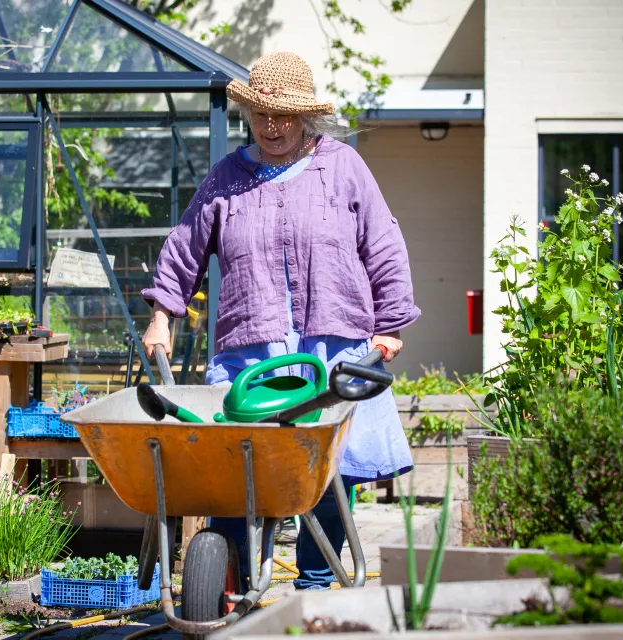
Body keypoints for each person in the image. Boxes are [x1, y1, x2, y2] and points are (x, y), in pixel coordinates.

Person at [139, 51, 419, 590]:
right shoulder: (227, 178)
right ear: (249, 113)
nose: (272, 127)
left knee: (332, 473)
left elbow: (383, 244)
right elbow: (184, 251)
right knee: (234, 470)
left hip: (334, 348)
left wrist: (390, 324)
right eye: (263, 114)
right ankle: (228, 582)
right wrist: (162, 316)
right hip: (253, 351)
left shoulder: (343, 167)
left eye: (285, 116)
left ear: (305, 117)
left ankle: (313, 584)